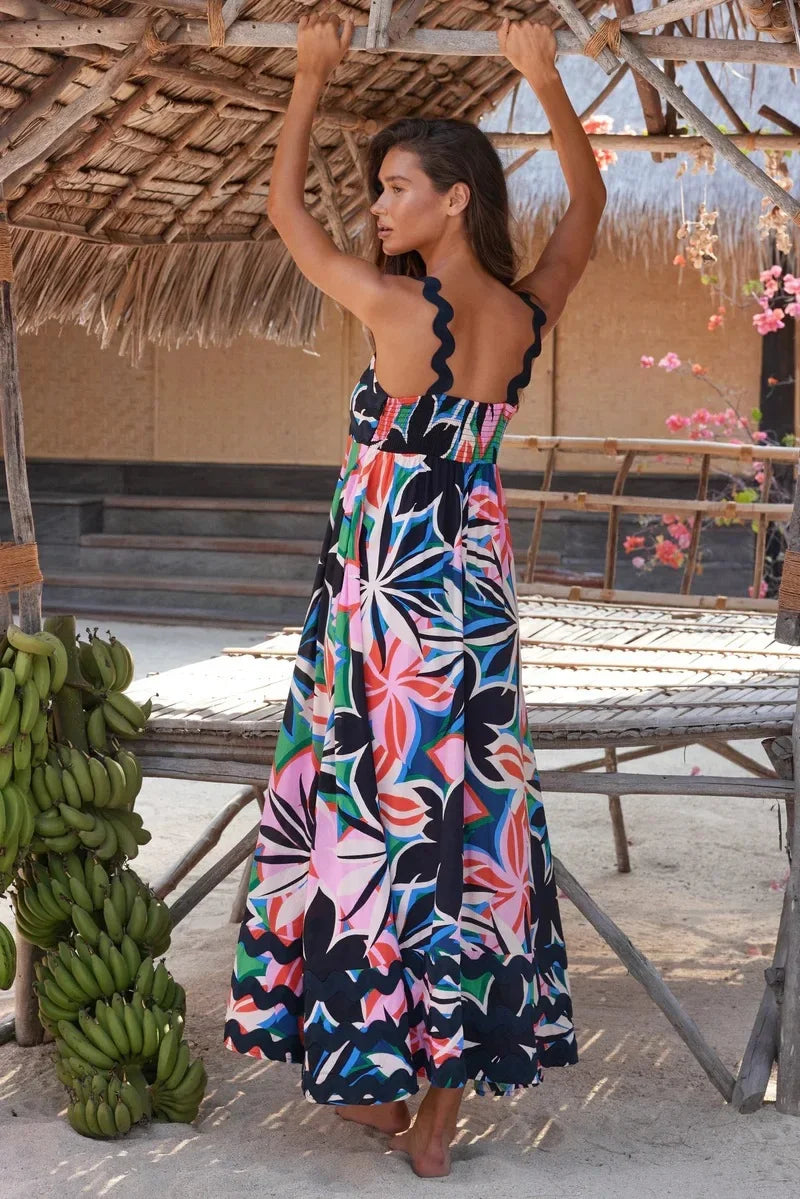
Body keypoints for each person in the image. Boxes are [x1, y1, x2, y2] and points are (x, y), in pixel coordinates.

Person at [224, 8, 605, 1179]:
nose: (378, 208)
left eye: (396, 188)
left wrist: (307, 73)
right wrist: (542, 82)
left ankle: (385, 1076)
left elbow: (286, 216)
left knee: (376, 821)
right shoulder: (520, 312)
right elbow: (584, 210)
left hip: (385, 597)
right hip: (472, 589)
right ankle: (439, 1093)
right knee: (467, 822)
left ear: (453, 198)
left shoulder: (403, 311)